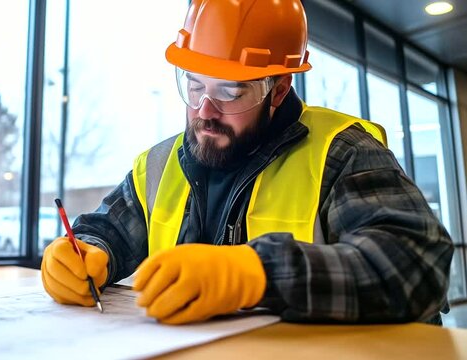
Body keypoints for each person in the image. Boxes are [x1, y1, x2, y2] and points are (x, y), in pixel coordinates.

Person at [41, 0, 454, 325]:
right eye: (195, 85)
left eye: (230, 92)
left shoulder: (343, 152)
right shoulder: (160, 162)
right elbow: (106, 229)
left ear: (278, 89)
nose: (205, 110)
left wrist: (258, 274)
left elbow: (415, 264)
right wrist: (85, 252)